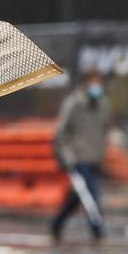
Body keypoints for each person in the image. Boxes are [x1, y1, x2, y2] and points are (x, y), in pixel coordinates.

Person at [51, 70, 110, 242]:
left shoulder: (103, 105)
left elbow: (104, 130)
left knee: (77, 198)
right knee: (91, 195)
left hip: (94, 158)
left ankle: (57, 223)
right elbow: (61, 133)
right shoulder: (74, 104)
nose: (96, 87)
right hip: (77, 159)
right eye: (94, 83)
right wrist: (66, 157)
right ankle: (98, 232)